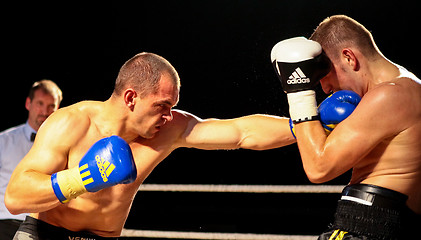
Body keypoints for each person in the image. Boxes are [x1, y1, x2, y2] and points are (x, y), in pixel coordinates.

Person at [5, 52, 356, 239]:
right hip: (44, 234)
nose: (168, 115)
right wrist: (80, 179)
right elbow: (16, 196)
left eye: (172, 106)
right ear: (130, 97)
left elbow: (240, 132)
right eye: (162, 105)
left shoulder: (168, 129)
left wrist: (310, 121)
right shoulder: (71, 122)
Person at [272, 15, 421, 239]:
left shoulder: (390, 95)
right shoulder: (406, 89)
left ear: (349, 57)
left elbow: (318, 168)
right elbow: (258, 132)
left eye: (323, 74)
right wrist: (199, 128)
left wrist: (299, 92)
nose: (324, 87)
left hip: (369, 227)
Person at [0, 80, 63, 239]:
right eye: (40, 103)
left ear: (58, 109)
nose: (44, 111)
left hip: (46, 225)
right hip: (6, 222)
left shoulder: (65, 144)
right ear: (28, 103)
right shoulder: (4, 141)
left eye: (51, 106)